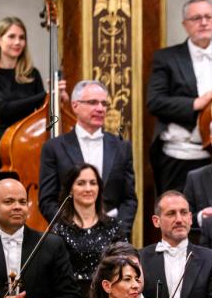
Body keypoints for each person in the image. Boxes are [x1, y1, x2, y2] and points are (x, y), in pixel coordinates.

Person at [147, 0, 212, 194]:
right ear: (185, 25)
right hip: (180, 155)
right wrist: (197, 103)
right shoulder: (167, 58)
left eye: (208, 17)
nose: (204, 23)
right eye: (196, 18)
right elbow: (155, 102)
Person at [38, 80, 138, 233]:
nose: (100, 109)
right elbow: (47, 200)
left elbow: (129, 199)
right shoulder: (54, 147)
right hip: (68, 236)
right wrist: (70, 230)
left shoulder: (122, 147)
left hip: (113, 238)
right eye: (93, 102)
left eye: (104, 104)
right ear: (75, 105)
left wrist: (118, 231)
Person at [50, 163, 126, 296]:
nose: (88, 188)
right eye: (81, 183)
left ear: (99, 188)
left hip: (107, 296)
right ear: (70, 189)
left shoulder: (113, 226)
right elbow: (55, 275)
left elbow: (124, 265)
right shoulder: (59, 229)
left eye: (93, 183)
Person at [0, 17, 48, 136]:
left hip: (31, 135)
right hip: (3, 138)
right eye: (11, 36)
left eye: (22, 38)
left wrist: (54, 100)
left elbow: (46, 115)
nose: (17, 42)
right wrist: (45, 95)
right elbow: (3, 110)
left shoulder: (32, 73)